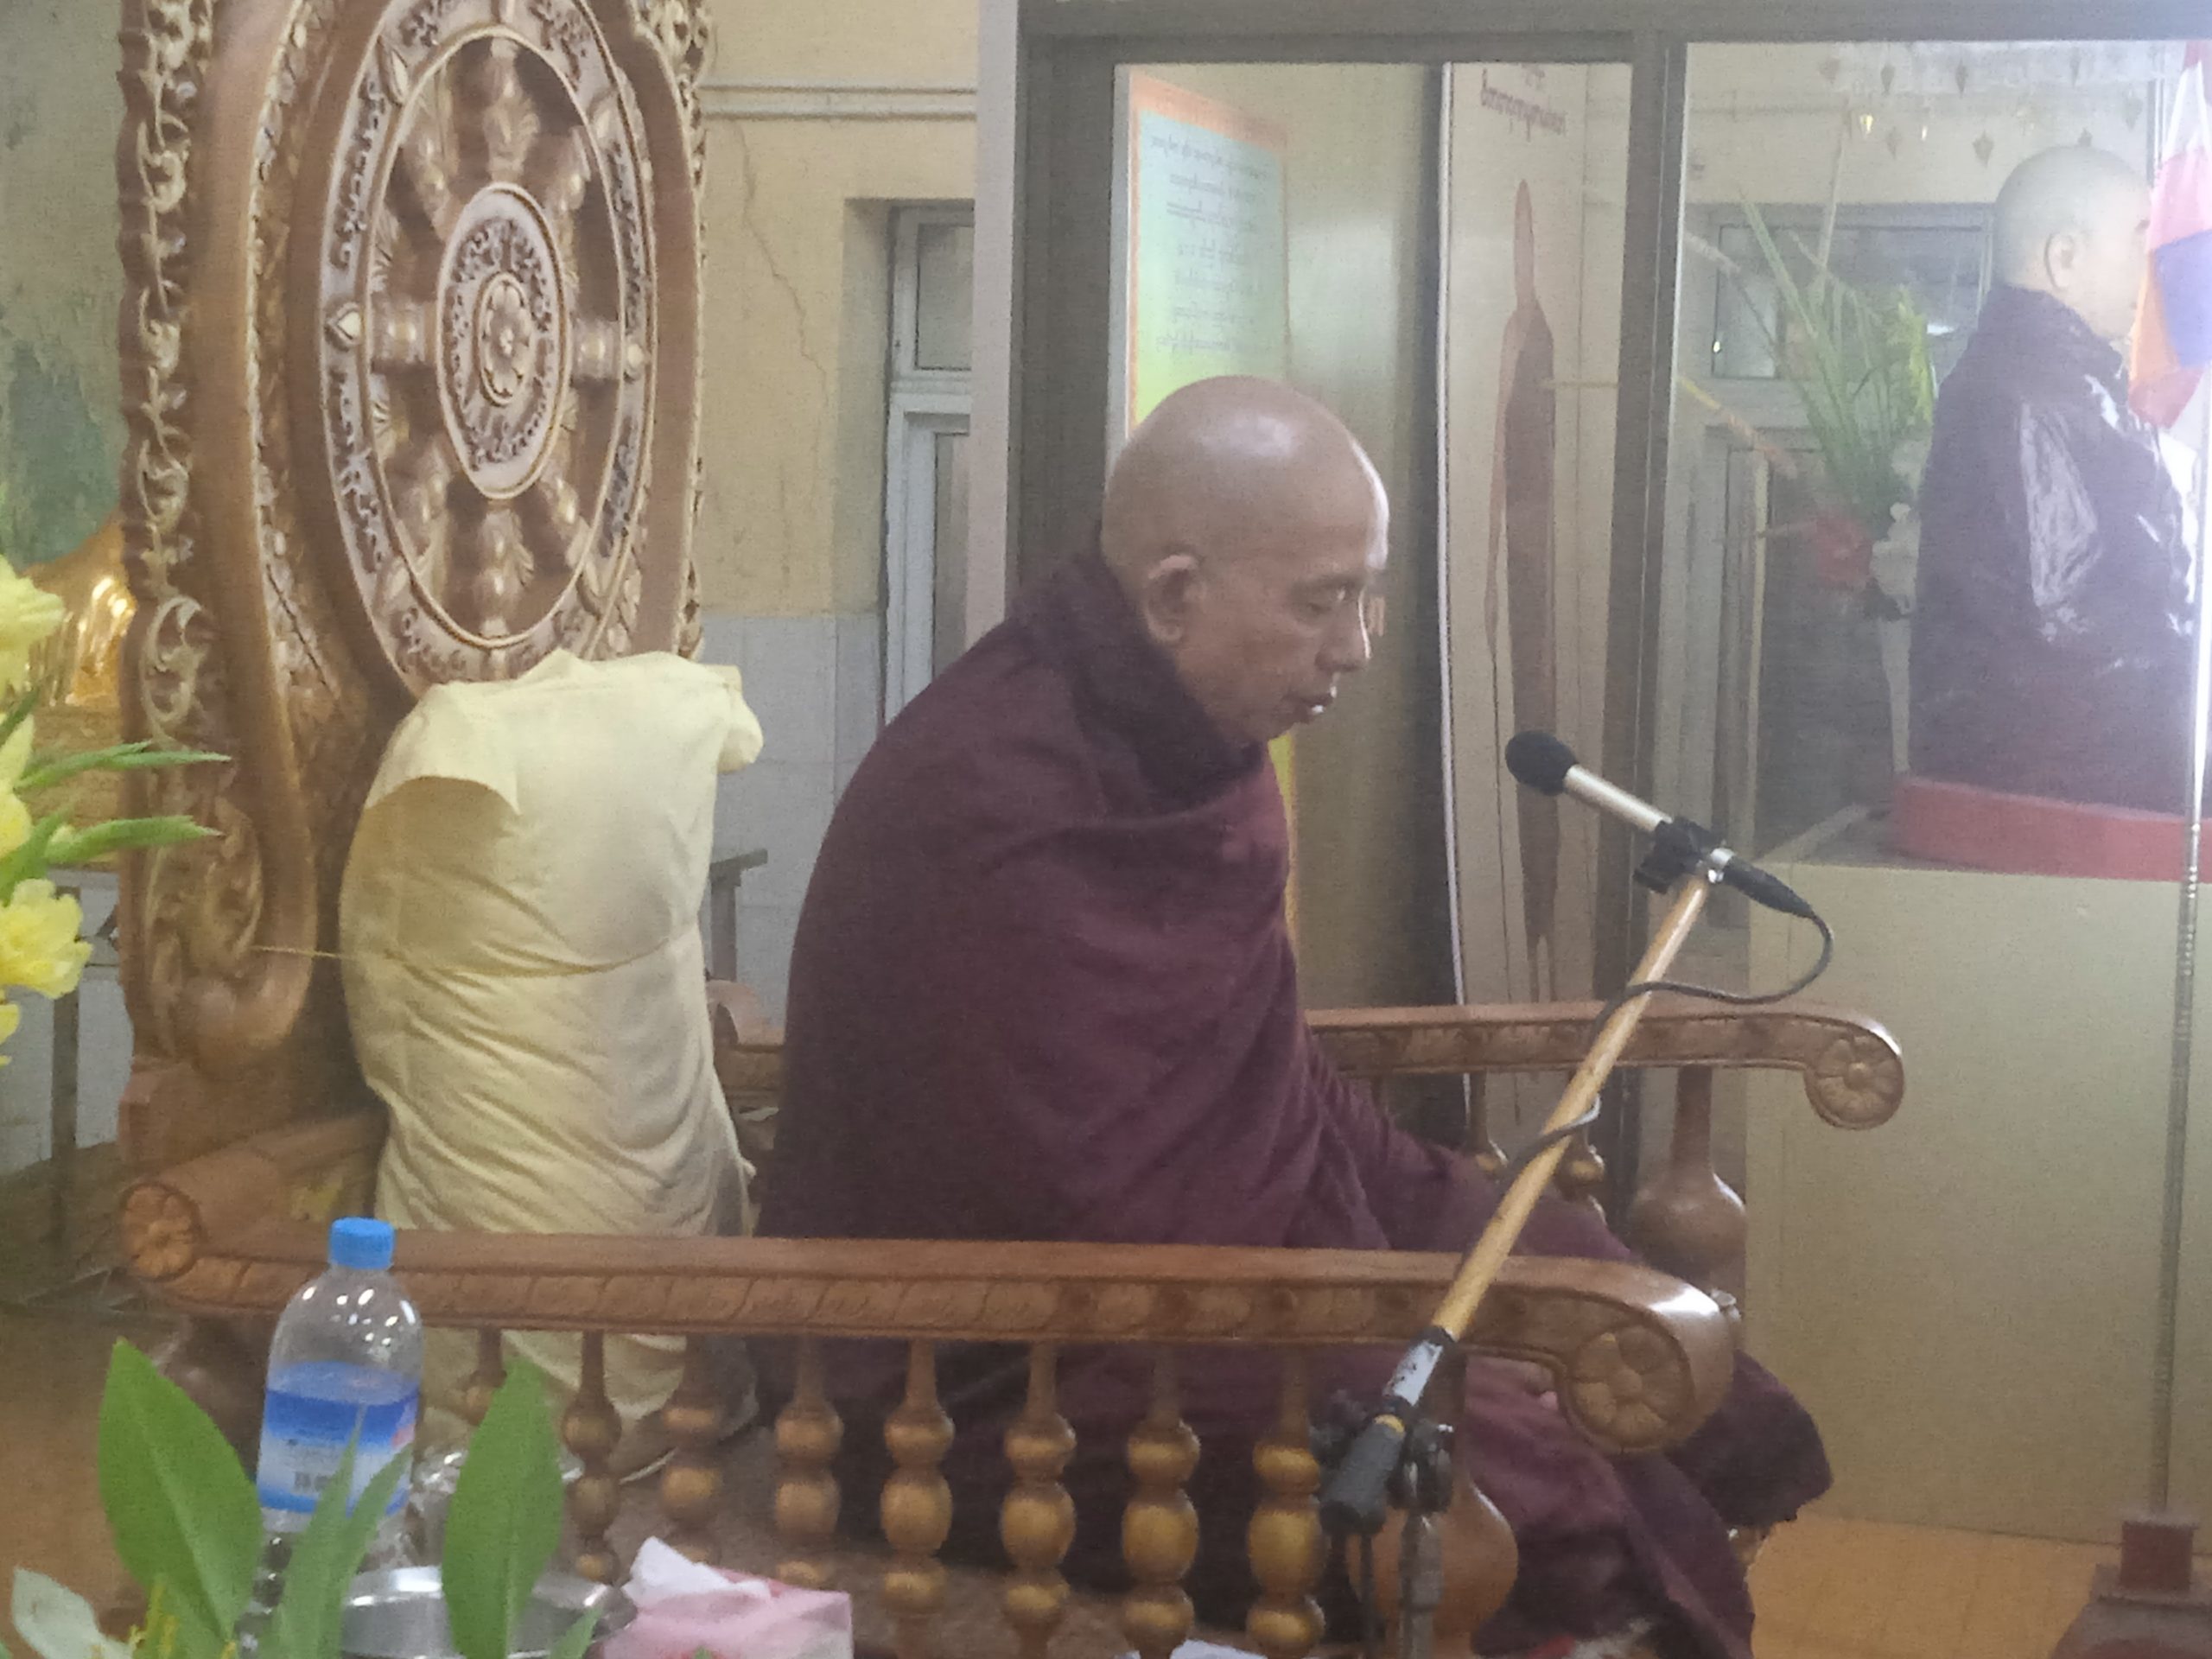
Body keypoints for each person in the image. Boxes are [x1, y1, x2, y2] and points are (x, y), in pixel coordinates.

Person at [760, 377, 1829, 1658]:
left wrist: (1485, 1254)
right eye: (1322, 602)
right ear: (1173, 596)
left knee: (1643, 1339)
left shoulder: (1197, 746)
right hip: (1013, 1363)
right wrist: (1396, 1336)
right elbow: (1086, 1213)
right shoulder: (985, 796)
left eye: (1369, 596)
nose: (1359, 647)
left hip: (1223, 1268)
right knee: (1525, 1473)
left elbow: (1254, 1086)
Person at [1910, 144, 2196, 813]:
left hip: (2091, 779)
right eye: (2139, 243)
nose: (2153, 272)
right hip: (2071, 793)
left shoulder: (2064, 384)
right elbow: (2059, 626)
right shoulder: (2023, 398)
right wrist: (2188, 663)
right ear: (2064, 258)